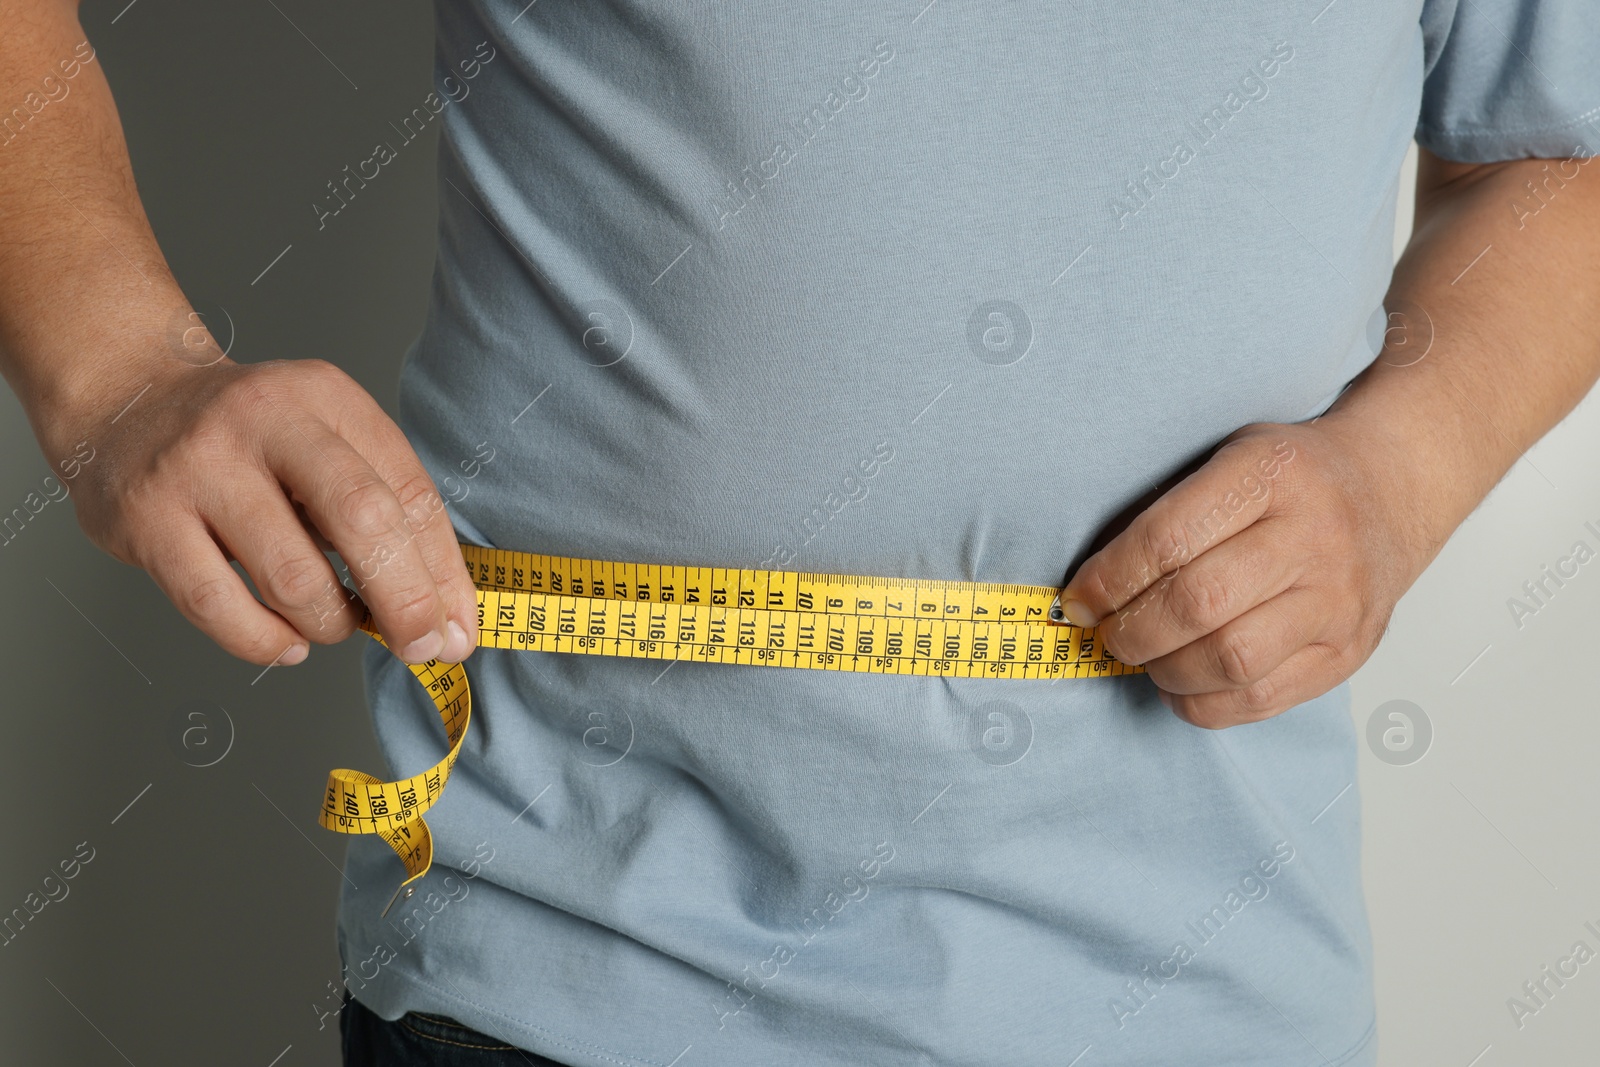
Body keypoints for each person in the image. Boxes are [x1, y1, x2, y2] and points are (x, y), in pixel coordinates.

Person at [4, 1, 1598, 1064]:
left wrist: (1403, 475)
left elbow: (1562, 147)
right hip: (559, 968)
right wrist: (119, 370)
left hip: (1206, 983)